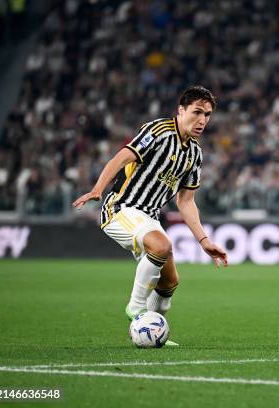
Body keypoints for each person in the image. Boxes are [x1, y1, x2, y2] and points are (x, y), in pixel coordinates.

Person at [72, 85, 228, 346]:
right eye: (197, 112)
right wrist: (97, 190)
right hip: (121, 208)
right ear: (181, 110)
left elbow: (186, 201)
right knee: (161, 245)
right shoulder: (159, 131)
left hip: (149, 217)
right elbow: (121, 157)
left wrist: (204, 241)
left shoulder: (195, 154)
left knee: (170, 281)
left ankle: (152, 332)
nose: (202, 120)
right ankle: (136, 309)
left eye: (208, 114)